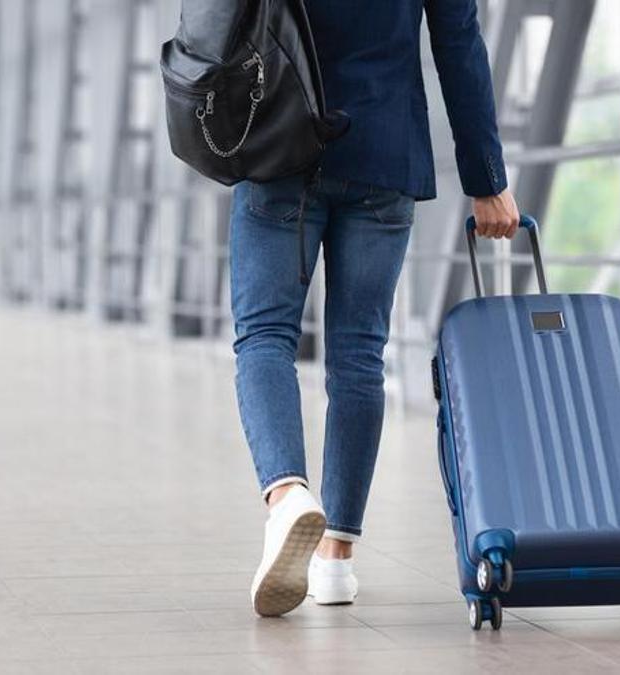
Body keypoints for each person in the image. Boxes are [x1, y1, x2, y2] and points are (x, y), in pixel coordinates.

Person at [232, 0, 521, 617]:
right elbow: (459, 44)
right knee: (359, 355)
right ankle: (336, 558)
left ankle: (287, 496)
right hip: (385, 151)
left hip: (280, 142)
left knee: (265, 336)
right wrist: (487, 179)